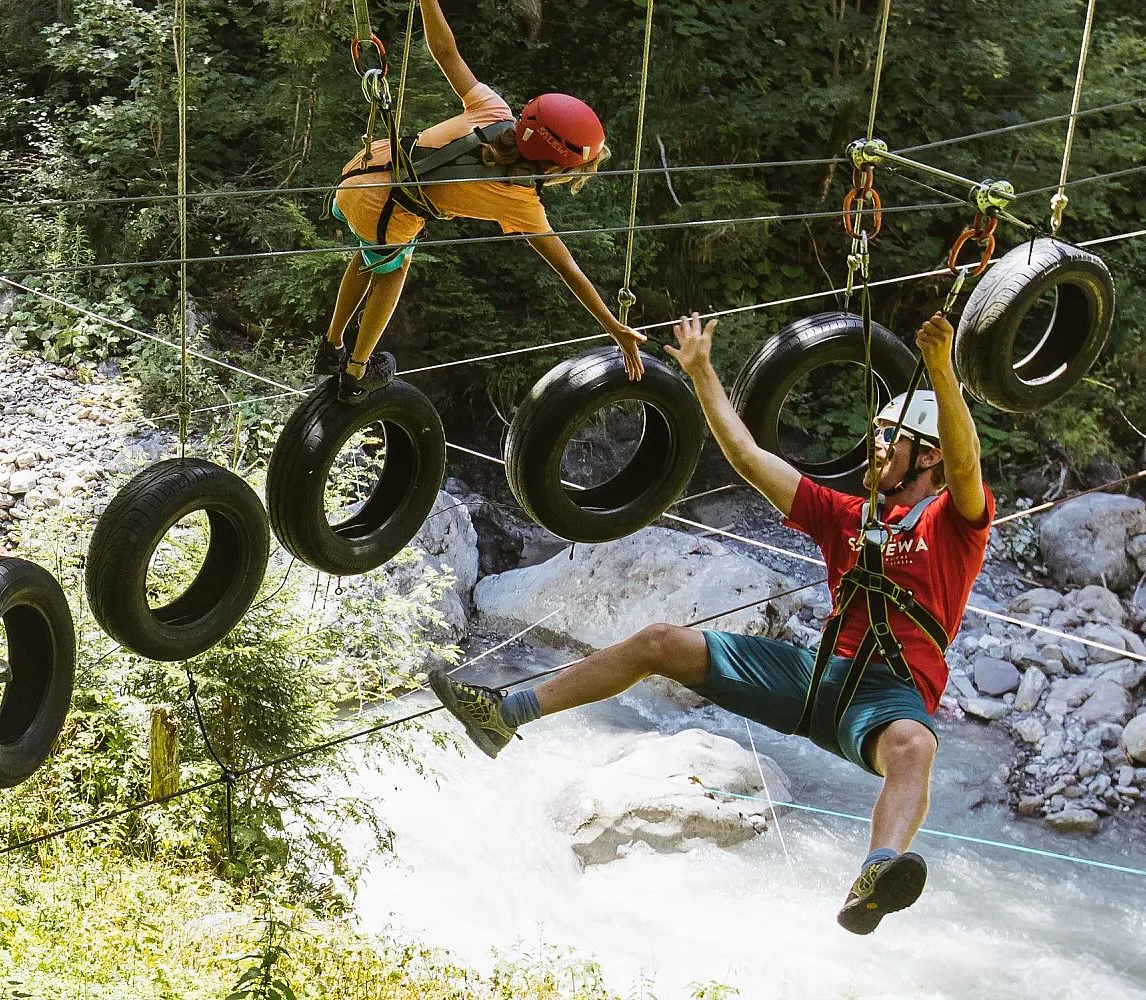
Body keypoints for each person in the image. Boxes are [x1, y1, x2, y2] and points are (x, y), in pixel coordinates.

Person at [430, 311, 992, 935]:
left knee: (914, 747)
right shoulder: (844, 514)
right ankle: (504, 714)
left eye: (890, 437)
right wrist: (699, 372)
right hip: (815, 679)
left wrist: (941, 371)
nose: (876, 444)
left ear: (927, 458)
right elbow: (749, 458)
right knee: (658, 642)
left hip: (889, 700)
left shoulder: (955, 525)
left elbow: (967, 468)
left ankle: (876, 873)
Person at [322, 0, 645, 402]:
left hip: (361, 172)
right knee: (393, 269)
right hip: (385, 211)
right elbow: (568, 269)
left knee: (372, 254)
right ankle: (355, 373)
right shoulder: (522, 203)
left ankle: (332, 342)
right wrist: (613, 325)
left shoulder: (493, 109)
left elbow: (445, 51)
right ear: (555, 168)